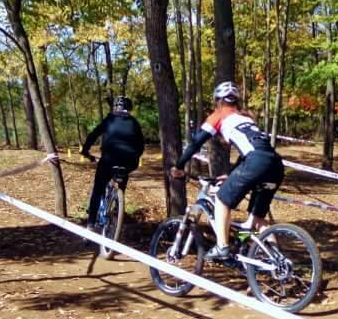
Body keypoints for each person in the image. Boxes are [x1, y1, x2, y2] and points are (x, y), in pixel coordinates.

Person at [170, 81, 284, 261]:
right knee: (258, 219)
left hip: (256, 162)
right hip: (275, 164)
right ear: (235, 102)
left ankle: (222, 246)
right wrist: (231, 174)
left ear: (218, 101)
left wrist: (179, 165)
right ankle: (278, 261)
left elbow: (196, 143)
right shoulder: (246, 119)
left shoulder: (219, 115)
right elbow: (252, 150)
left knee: (222, 200)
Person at [81, 95, 145, 229]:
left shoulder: (110, 120)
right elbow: (141, 145)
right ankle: (117, 208)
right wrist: (134, 156)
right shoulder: (134, 122)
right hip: (129, 161)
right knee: (122, 181)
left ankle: (91, 223)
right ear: (129, 108)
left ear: (116, 107)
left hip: (109, 159)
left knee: (98, 189)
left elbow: (93, 134)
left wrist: (85, 151)